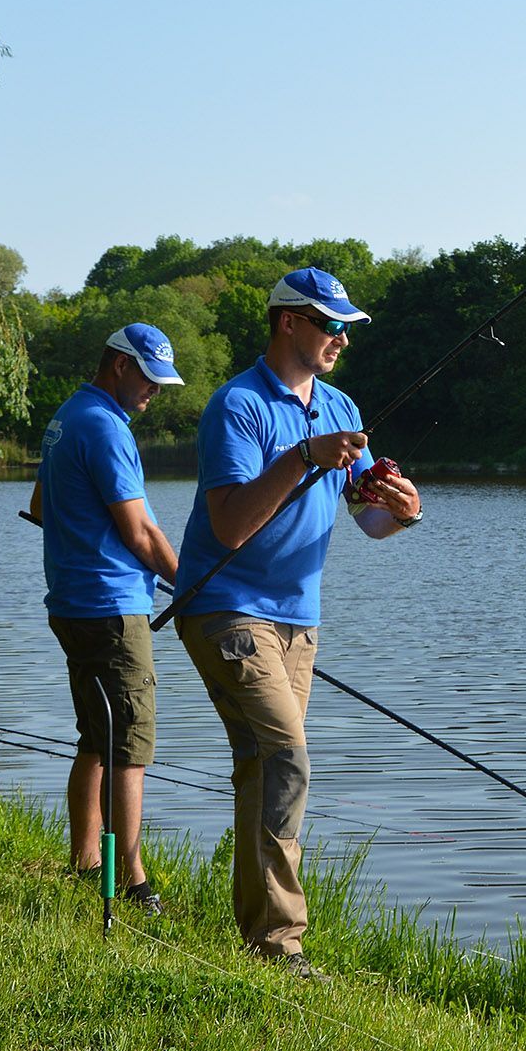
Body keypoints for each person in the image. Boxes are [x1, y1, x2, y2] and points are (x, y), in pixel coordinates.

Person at [174, 266, 421, 978]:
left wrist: (402, 510)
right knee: (288, 758)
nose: (341, 339)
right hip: (225, 608)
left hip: (298, 623)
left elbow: (368, 519)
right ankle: (282, 944)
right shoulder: (238, 406)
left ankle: (258, 937)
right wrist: (302, 457)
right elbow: (229, 527)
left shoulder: (340, 404)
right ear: (289, 321)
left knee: (263, 769)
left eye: (347, 327)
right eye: (330, 324)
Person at [30, 323, 183, 915]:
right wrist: (191, 586)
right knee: (131, 745)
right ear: (119, 364)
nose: (155, 392)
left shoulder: (67, 416)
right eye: (149, 378)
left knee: (97, 737)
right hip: (113, 610)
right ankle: (132, 883)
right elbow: (141, 531)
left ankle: (87, 860)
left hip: (70, 604)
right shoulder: (105, 426)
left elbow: (44, 506)